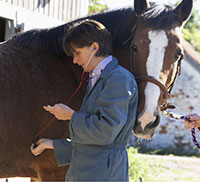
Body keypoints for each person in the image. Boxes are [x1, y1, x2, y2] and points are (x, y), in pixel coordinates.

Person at [30, 19, 138, 181]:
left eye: (77, 53)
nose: (74, 60)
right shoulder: (97, 78)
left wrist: (70, 116)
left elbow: (105, 132)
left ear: (95, 47)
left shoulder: (118, 79)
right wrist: (51, 144)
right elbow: (91, 144)